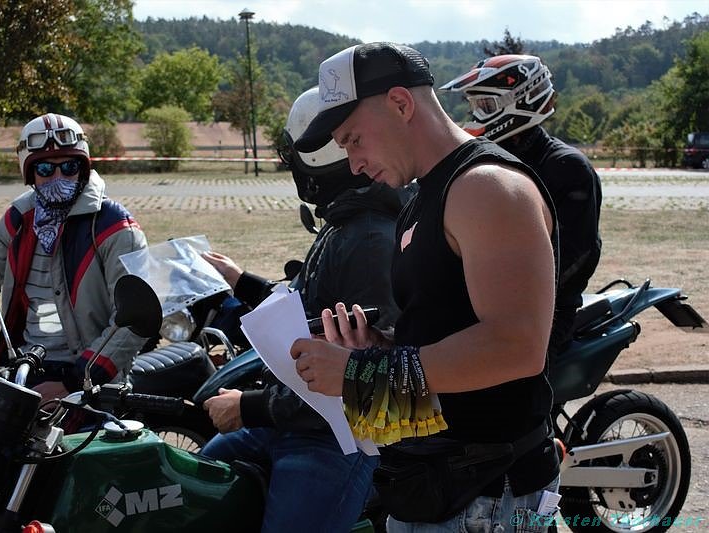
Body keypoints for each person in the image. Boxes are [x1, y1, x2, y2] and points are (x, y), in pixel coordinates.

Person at [289, 42, 561, 532]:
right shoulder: (421, 199)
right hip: (432, 491)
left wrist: (361, 374)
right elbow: (443, 350)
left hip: (487, 498)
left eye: (353, 140)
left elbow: (518, 347)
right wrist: (377, 349)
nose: (352, 164)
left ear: (400, 103)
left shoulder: (487, 187)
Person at [199, 87, 404, 533]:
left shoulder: (369, 238)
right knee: (190, 491)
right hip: (291, 421)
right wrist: (243, 282)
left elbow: (367, 380)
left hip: (334, 440)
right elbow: (306, 309)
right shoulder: (349, 222)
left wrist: (250, 407)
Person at [0, 113, 148, 403]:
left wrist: (74, 381)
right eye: (46, 169)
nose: (58, 177)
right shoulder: (19, 220)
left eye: (69, 167)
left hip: (90, 379)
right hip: (26, 366)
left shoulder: (114, 227)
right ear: (30, 174)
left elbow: (134, 320)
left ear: (82, 168)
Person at [440, 54, 602, 355]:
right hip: (486, 306)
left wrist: (516, 296)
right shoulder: (491, 162)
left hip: (547, 313)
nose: (476, 116)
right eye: (474, 106)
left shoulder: (566, 167)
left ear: (521, 100)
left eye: (485, 106)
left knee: (505, 386)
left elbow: (577, 254)